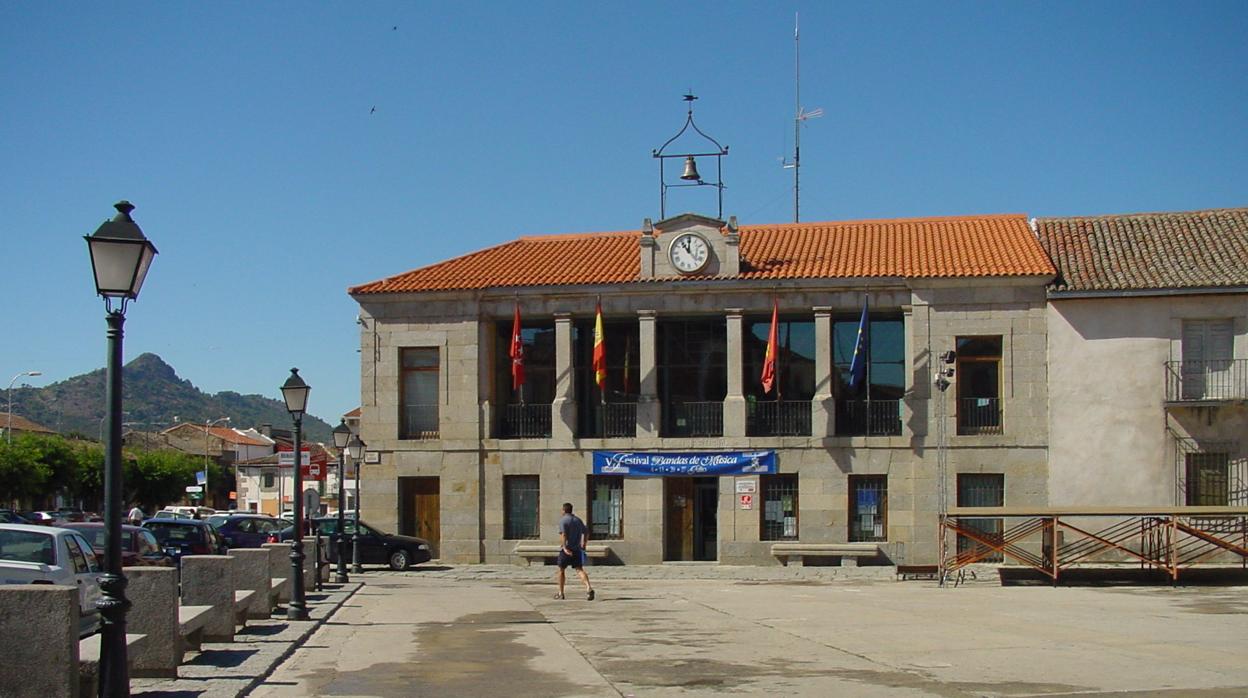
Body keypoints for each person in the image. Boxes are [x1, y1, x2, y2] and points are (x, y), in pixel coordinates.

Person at [555, 502, 594, 601]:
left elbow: (563, 534)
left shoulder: (563, 520)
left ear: (563, 510)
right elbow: (586, 532)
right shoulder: (578, 520)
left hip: (567, 549)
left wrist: (564, 547)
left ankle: (561, 593)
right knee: (579, 569)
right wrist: (584, 544)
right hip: (577, 549)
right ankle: (588, 587)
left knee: (561, 570)